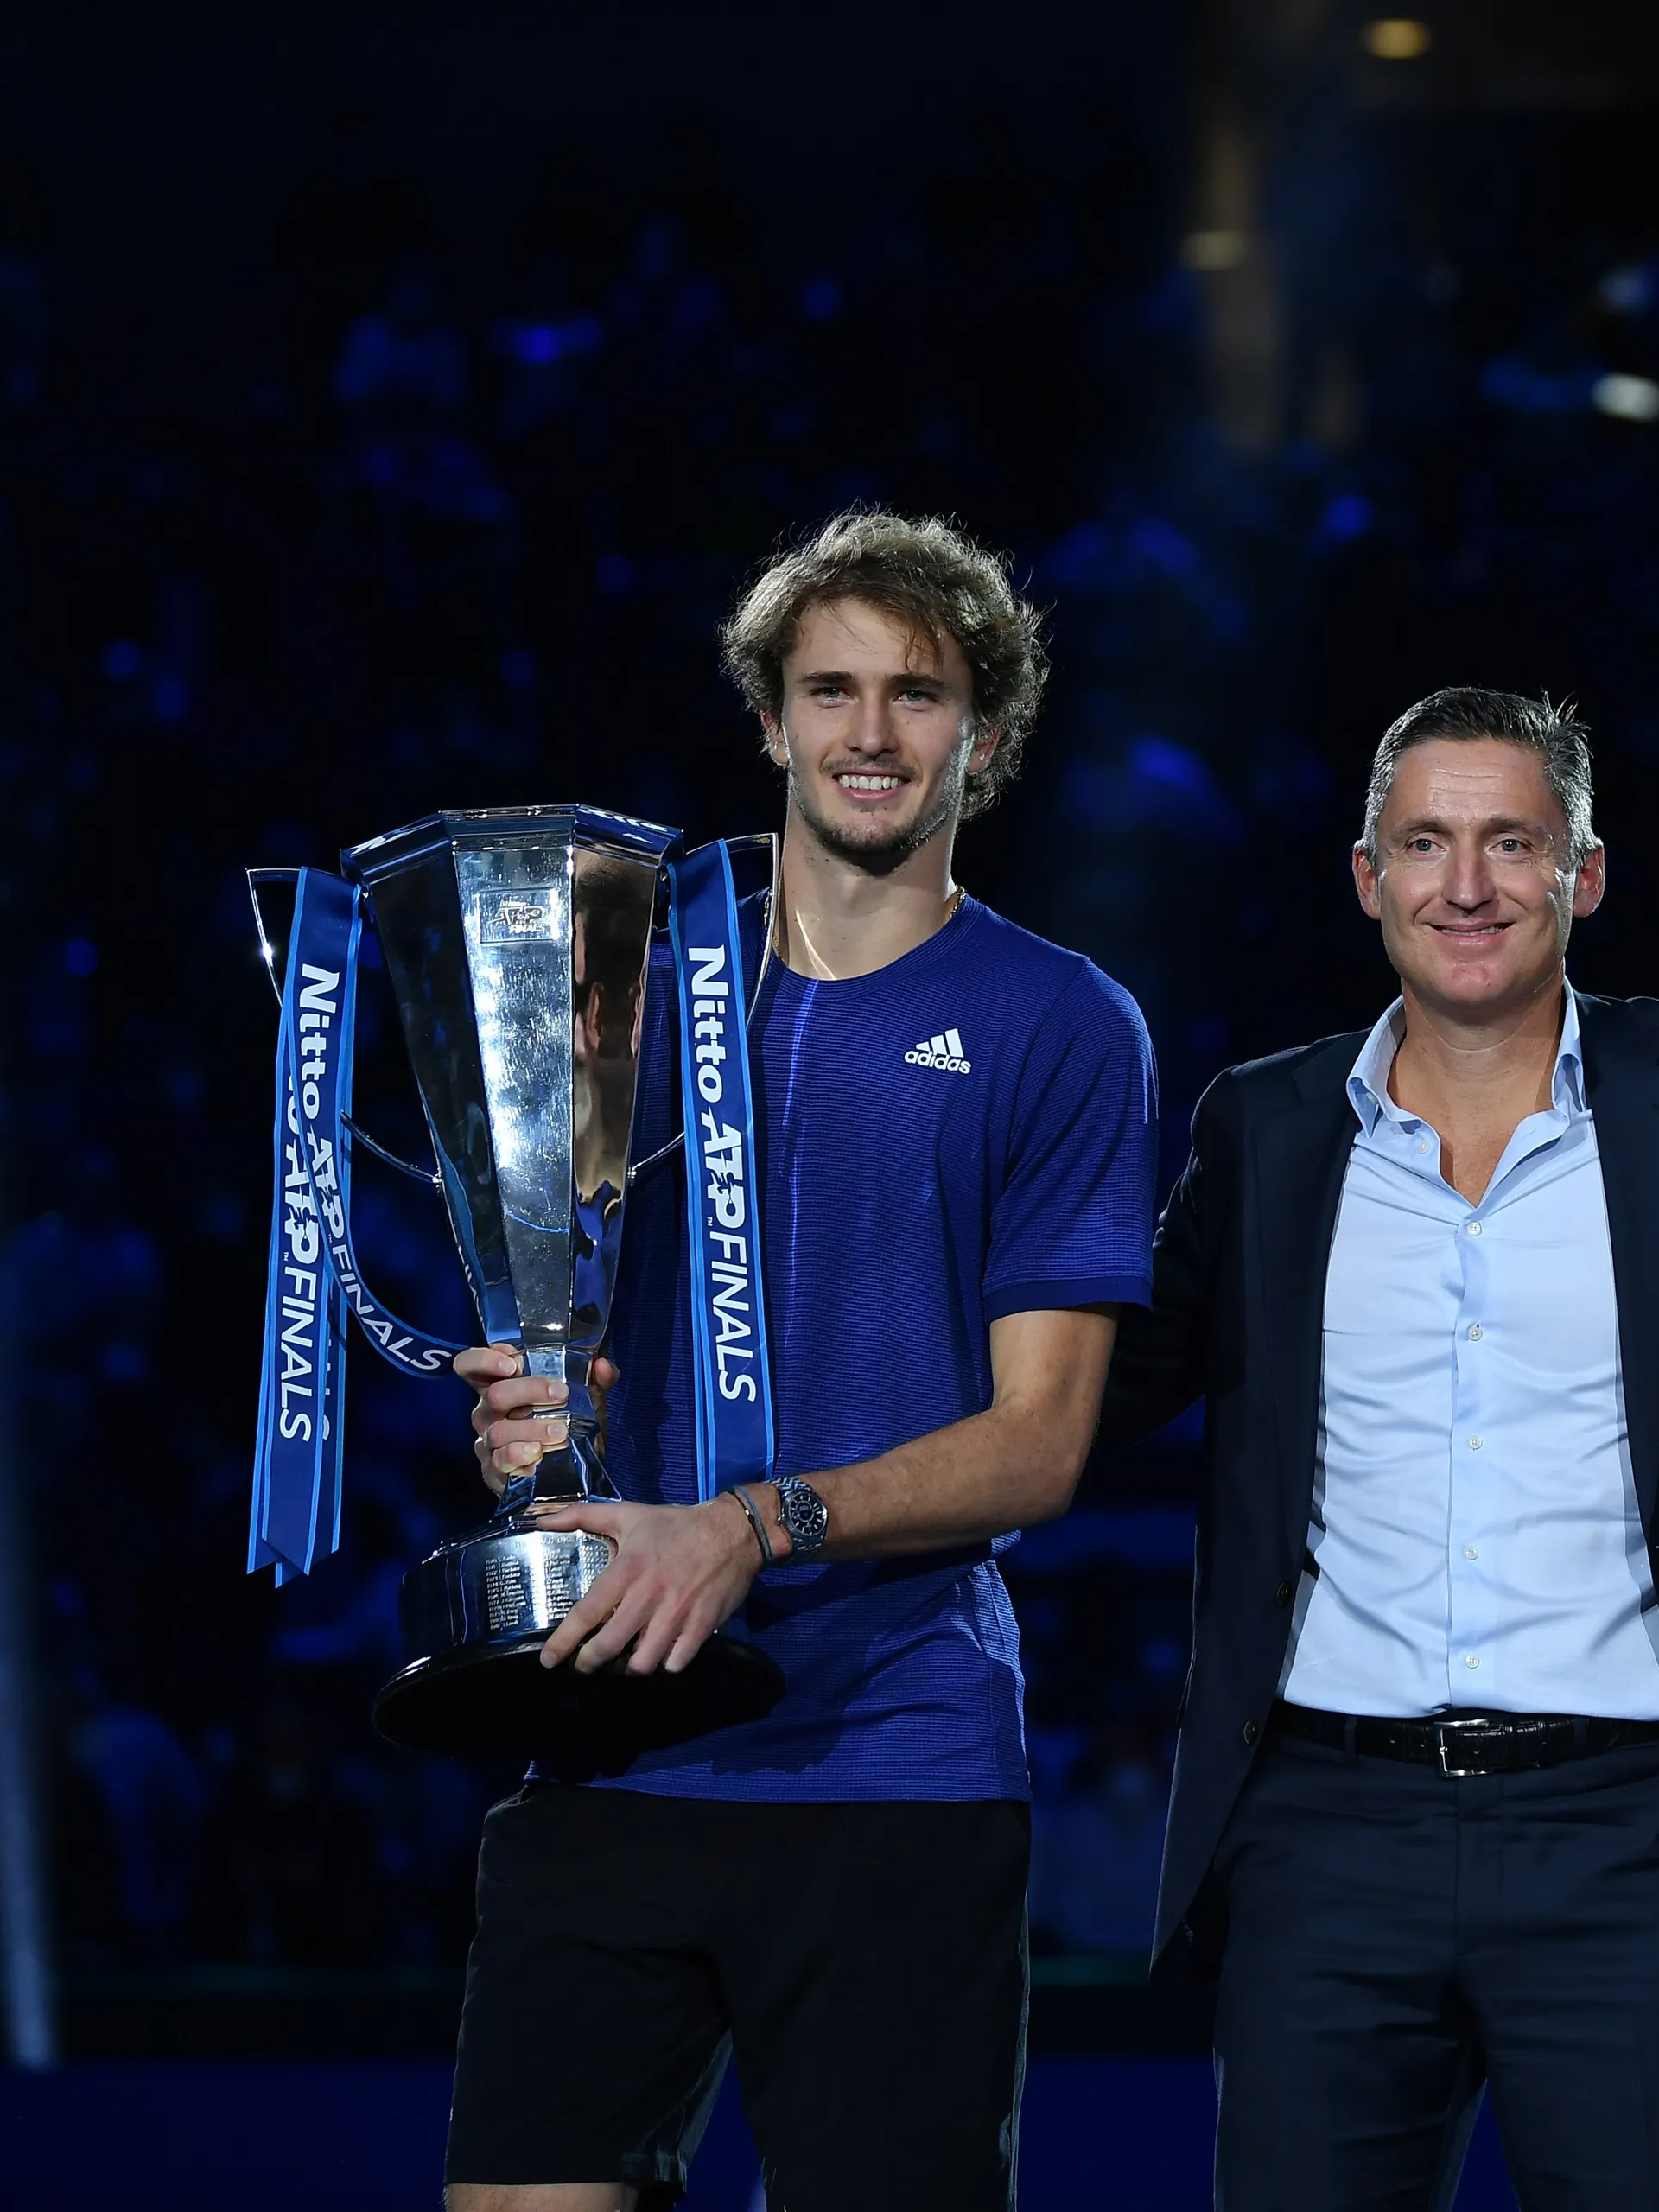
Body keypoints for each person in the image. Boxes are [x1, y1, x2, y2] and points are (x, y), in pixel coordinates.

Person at [443, 510, 1157, 2211]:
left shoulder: (1062, 1020)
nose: (868, 732)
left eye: (918, 693)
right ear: (766, 718)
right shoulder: (614, 986)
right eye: (828, 688)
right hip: (610, 1725)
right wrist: (538, 1429)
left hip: (896, 1755)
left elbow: (1046, 1442)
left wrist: (749, 1524)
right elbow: (572, 1339)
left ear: (983, 734)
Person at [1100, 687, 1659, 2212]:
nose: (1467, 886)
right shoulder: (1259, 1131)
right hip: (1325, 1833)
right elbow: (1089, 1394)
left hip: (1639, 1833)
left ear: (1584, 873)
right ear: (1368, 876)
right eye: (1428, 844)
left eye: (1511, 843)